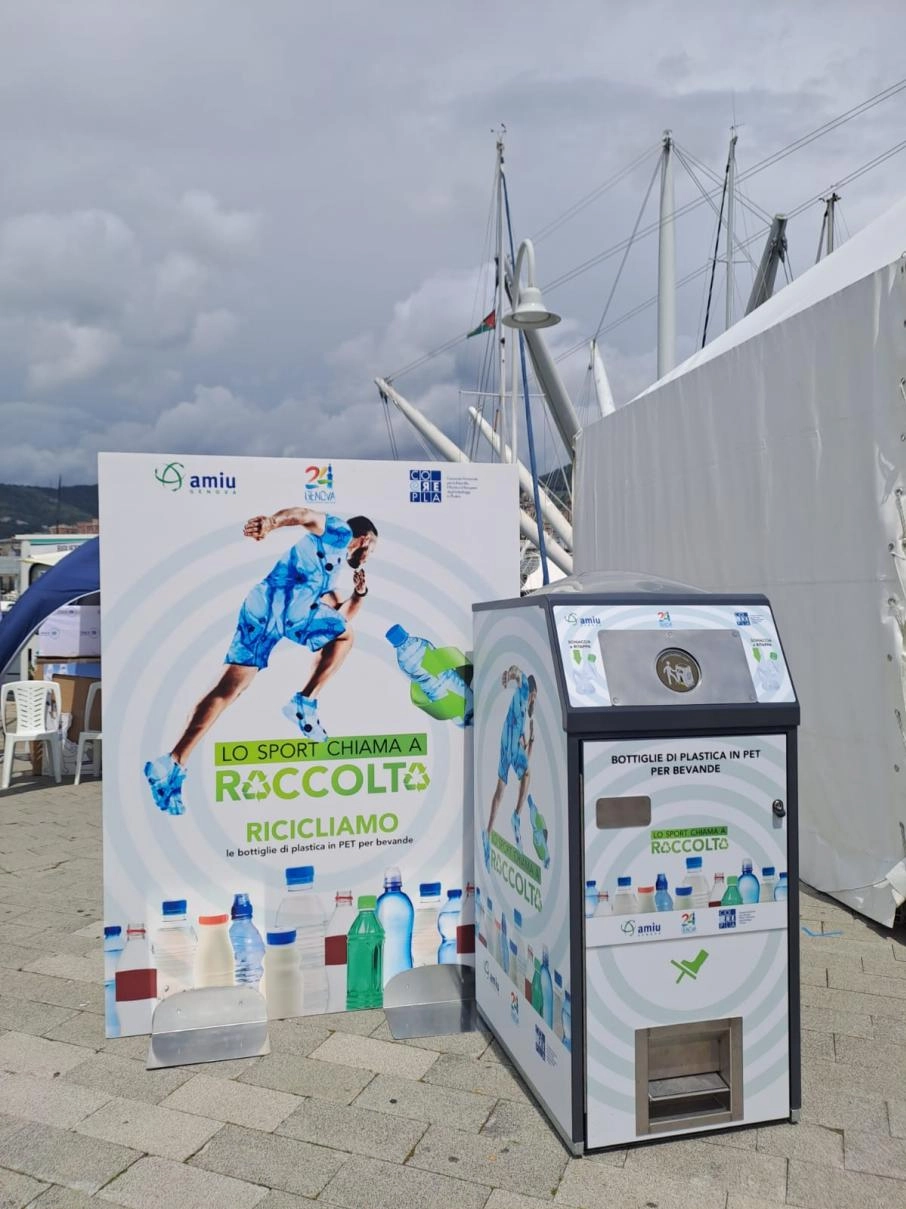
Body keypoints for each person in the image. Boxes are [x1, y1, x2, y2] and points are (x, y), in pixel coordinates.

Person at [144, 506, 378, 815]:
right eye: (372, 549)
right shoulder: (340, 531)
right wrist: (272, 522)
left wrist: (359, 594)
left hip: (261, 608)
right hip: (284, 609)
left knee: (228, 689)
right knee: (346, 636)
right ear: (365, 539)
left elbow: (340, 618)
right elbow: (305, 516)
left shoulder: (328, 575)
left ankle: (172, 763)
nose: (369, 557)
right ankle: (304, 702)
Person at [481, 665, 537, 870]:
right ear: (533, 692)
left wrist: (529, 740)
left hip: (506, 740)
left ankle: (488, 833)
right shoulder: (525, 691)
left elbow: (525, 761)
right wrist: (508, 675)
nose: (534, 700)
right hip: (510, 739)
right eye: (535, 697)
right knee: (525, 775)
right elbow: (517, 671)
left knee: (500, 788)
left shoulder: (522, 713)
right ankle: (516, 816)